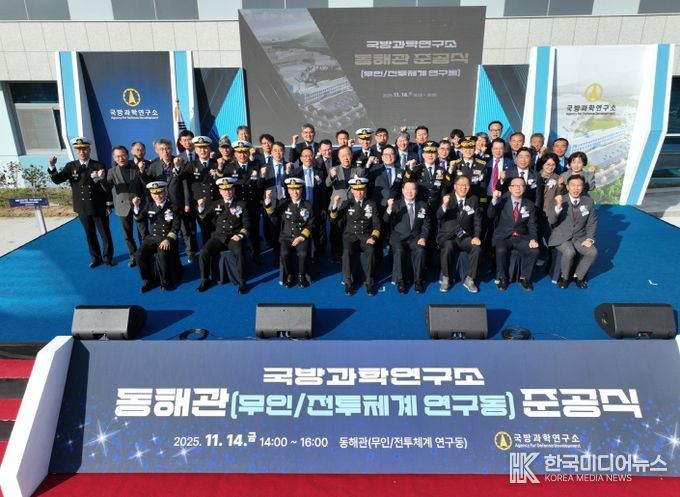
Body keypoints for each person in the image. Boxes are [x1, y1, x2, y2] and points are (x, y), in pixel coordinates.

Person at [47, 137, 114, 268]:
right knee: (89, 234)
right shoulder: (71, 166)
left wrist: (108, 204)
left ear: (89, 150)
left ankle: (108, 257)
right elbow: (57, 180)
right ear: (76, 152)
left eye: (84, 149)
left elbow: (106, 187)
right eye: (79, 150)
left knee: (105, 233)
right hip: (82, 207)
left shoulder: (98, 165)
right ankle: (96, 258)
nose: (82, 152)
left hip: (98, 206)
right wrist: (52, 166)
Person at [142, 137, 196, 262]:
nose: (165, 151)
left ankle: (190, 252)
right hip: (162, 203)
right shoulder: (153, 165)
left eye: (167, 148)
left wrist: (187, 203)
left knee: (185, 229)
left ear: (171, 149)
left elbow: (185, 184)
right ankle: (170, 250)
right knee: (166, 227)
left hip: (179, 202)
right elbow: (148, 184)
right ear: (157, 151)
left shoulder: (180, 161)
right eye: (162, 149)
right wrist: (141, 172)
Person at [196, 177, 249, 294]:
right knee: (203, 252)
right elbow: (204, 218)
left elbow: (247, 224)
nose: (227, 192)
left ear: (233, 190)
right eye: (224, 190)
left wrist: (241, 235)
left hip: (234, 235)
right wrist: (201, 208)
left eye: (230, 189)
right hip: (219, 236)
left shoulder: (241, 204)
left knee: (239, 251)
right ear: (220, 191)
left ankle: (242, 280)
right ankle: (205, 279)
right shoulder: (215, 204)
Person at [330, 176, 381, 296]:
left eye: (361, 189)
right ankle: (348, 282)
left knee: (371, 250)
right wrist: (335, 205)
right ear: (352, 190)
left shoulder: (371, 204)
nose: (359, 192)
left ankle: (369, 282)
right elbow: (334, 219)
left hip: (366, 236)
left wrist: (373, 237)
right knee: (347, 252)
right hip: (350, 236)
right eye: (356, 190)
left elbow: (377, 225)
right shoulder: (347, 203)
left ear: (365, 190)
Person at [488, 177, 539, 291]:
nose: (518, 188)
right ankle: (503, 278)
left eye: (521, 186)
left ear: (524, 188)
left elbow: (532, 224)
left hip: (522, 237)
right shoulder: (502, 201)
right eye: (515, 185)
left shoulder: (530, 204)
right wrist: (494, 200)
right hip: (504, 236)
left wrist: (533, 239)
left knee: (534, 251)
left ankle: (525, 278)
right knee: (501, 250)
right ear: (510, 188)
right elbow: (490, 214)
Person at [264, 177, 316, 288]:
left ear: (301, 190)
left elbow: (311, 224)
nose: (295, 192)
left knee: (303, 254)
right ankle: (290, 275)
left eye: (297, 189)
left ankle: (301, 275)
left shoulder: (307, 205)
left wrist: (301, 237)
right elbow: (273, 214)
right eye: (292, 190)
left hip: (301, 236)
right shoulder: (284, 203)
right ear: (288, 191)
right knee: (284, 253)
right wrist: (268, 200)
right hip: (286, 237)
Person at [548, 175, 598, 289]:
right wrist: (558, 206)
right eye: (573, 185)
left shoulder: (588, 201)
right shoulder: (559, 199)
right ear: (567, 186)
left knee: (593, 253)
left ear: (582, 187)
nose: (576, 188)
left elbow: (592, 223)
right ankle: (564, 278)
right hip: (561, 236)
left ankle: (578, 277)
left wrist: (589, 239)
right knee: (569, 252)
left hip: (580, 237)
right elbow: (551, 221)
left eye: (579, 185)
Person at [132, 181, 182, 292]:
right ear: (151, 194)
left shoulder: (173, 207)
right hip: (153, 237)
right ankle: (148, 279)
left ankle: (166, 280)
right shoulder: (149, 205)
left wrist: (168, 239)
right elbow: (139, 218)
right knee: (139, 255)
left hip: (167, 237)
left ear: (165, 192)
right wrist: (136, 206)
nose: (158, 196)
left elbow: (176, 226)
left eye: (160, 193)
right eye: (154, 194)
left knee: (162, 254)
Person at [437, 175, 482, 293]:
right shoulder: (448, 197)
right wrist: (444, 205)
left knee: (476, 248)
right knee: (448, 247)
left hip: (464, 236)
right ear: (455, 186)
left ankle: (469, 279)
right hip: (448, 236)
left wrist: (476, 236)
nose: (463, 187)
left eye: (466, 185)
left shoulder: (473, 199)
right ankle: (446, 277)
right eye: (461, 185)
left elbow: (477, 221)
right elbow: (439, 216)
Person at [104, 145, 147, 267]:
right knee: (127, 235)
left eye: (123, 155)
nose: (121, 158)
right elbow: (106, 188)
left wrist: (142, 171)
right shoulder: (111, 172)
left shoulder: (137, 167)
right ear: (114, 158)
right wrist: (102, 179)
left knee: (143, 232)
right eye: (118, 156)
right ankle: (133, 256)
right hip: (122, 207)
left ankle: (144, 254)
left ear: (128, 155)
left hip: (139, 204)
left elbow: (145, 184)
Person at [384, 180, 430, 294]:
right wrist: (389, 208)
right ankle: (401, 281)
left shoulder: (423, 205)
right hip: (399, 238)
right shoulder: (396, 204)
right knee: (399, 251)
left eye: (412, 189)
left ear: (416, 191)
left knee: (420, 251)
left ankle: (418, 281)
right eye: (407, 189)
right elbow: (385, 220)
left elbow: (426, 224)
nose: (410, 192)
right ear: (403, 191)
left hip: (415, 238)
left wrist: (423, 237)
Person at [224, 140, 263, 264]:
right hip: (238, 207)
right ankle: (242, 257)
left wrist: (261, 177)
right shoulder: (229, 168)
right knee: (239, 231)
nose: (242, 155)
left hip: (253, 204)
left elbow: (259, 186)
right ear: (235, 154)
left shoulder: (256, 166)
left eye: (245, 152)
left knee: (255, 231)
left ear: (248, 153)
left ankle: (256, 255)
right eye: (239, 152)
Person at [326, 145, 366, 263]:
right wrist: (332, 176)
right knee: (336, 231)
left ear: (352, 155)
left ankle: (349, 253)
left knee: (351, 231)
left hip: (352, 205)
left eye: (348, 155)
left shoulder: (358, 170)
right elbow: (327, 184)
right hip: (337, 205)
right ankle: (336, 255)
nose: (346, 158)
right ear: (339, 157)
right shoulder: (334, 169)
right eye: (343, 156)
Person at [288, 146, 328, 261]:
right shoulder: (295, 172)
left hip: (317, 206)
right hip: (301, 208)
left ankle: (317, 254)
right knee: (302, 231)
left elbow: (323, 191)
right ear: (300, 158)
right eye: (305, 156)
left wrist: (324, 207)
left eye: (310, 155)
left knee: (318, 231)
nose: (308, 158)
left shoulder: (320, 172)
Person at [187, 136, 219, 245]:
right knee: (205, 232)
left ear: (209, 149)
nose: (203, 150)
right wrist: (177, 168)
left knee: (217, 231)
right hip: (200, 204)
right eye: (200, 148)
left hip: (216, 202)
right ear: (196, 150)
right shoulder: (191, 165)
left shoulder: (216, 163)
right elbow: (182, 178)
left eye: (205, 147)